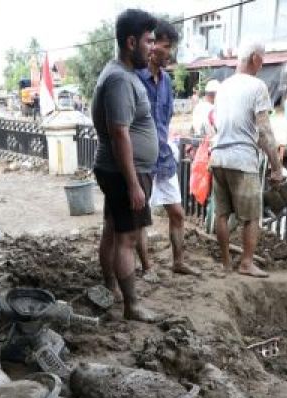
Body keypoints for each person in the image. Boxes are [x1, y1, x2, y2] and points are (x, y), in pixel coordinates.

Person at [91, 8, 160, 322]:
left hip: (118, 169)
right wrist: (133, 184)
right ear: (131, 42)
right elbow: (119, 133)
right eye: (149, 41)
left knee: (113, 229)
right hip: (123, 172)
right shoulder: (120, 78)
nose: (153, 47)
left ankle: (111, 287)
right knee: (127, 239)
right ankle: (132, 306)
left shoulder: (119, 72)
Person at [210, 41, 284, 278]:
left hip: (218, 156)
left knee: (221, 213)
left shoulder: (223, 87)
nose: (262, 64)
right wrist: (276, 167)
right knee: (251, 216)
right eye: (262, 59)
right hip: (242, 159)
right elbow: (264, 130)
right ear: (255, 59)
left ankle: (225, 262)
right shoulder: (257, 86)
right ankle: (246, 263)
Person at [136, 18, 198, 280]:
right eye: (166, 46)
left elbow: (167, 119)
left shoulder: (165, 82)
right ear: (151, 46)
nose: (169, 53)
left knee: (177, 212)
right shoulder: (136, 78)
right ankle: (147, 267)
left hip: (163, 156)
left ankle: (178, 261)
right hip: (143, 159)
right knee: (140, 217)